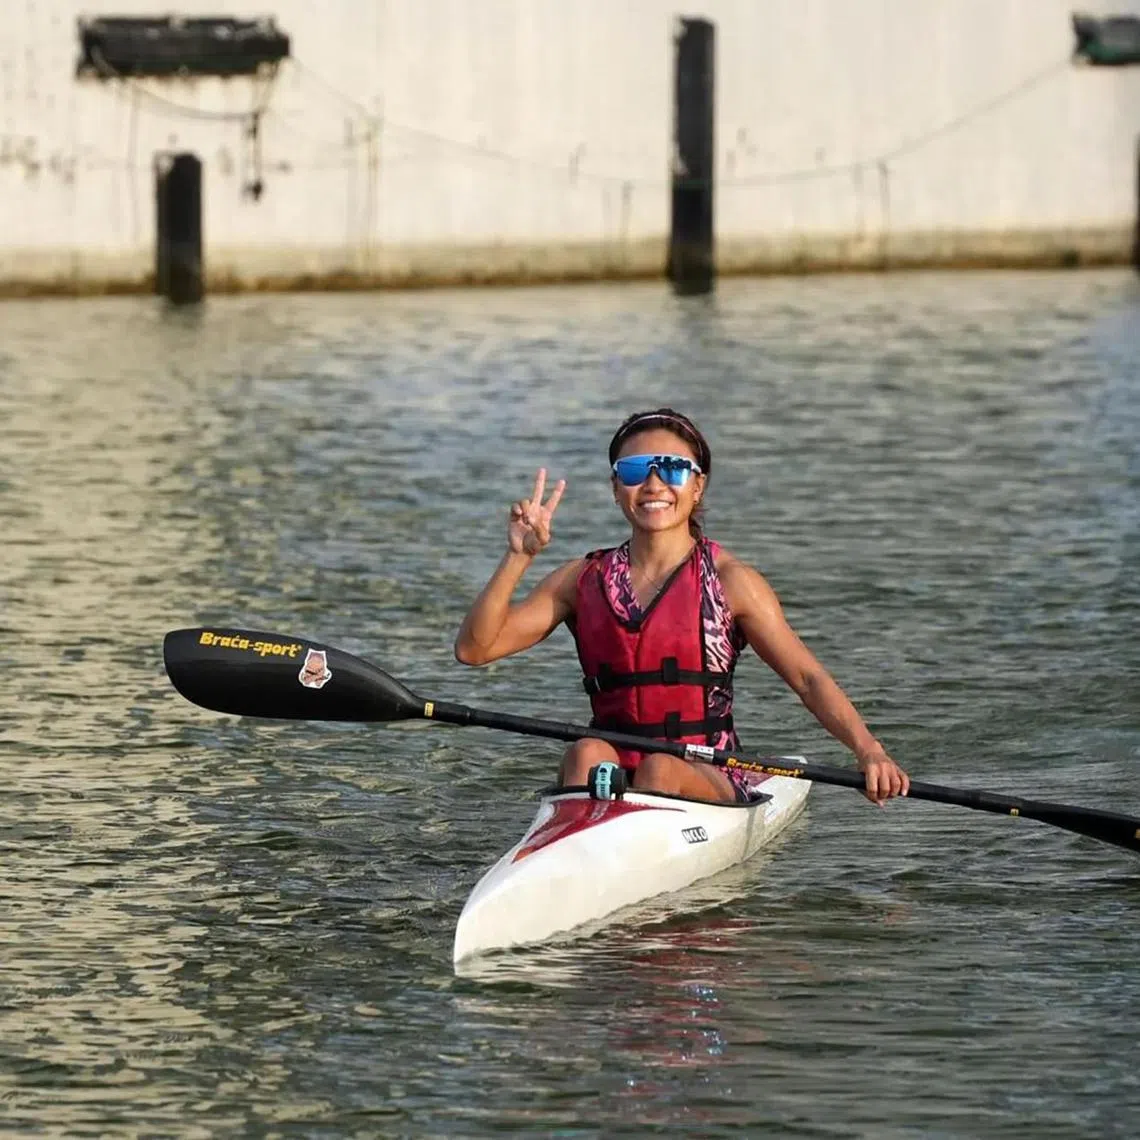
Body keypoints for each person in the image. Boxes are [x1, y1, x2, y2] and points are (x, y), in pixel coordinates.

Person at [454, 407, 909, 806]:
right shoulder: (581, 579)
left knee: (659, 769)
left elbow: (808, 679)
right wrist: (518, 557)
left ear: (697, 486)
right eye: (635, 470)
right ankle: (584, 841)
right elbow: (475, 649)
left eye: (673, 469)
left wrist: (869, 751)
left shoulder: (732, 582)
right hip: (609, 767)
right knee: (585, 752)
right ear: (616, 487)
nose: (653, 484)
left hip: (706, 771)